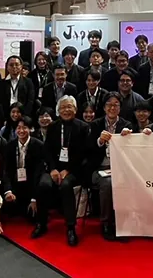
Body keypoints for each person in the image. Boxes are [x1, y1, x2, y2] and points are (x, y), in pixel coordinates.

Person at [43, 96, 89, 245]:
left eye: (69, 107)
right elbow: (47, 150)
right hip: (55, 168)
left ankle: (70, 227)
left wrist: (68, 170)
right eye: (63, 107)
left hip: (75, 170)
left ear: (75, 109)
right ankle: (41, 223)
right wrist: (53, 169)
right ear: (58, 110)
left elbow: (83, 153)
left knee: (66, 185)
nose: (66, 110)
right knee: (43, 184)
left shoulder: (83, 127)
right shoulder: (53, 126)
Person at [88, 93, 134, 240]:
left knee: (128, 181)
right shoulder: (95, 124)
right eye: (109, 104)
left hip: (121, 169)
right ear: (104, 107)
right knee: (108, 183)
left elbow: (132, 151)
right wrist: (100, 141)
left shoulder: (127, 125)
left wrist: (128, 139)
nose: (112, 108)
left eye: (116, 105)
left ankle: (123, 223)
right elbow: (88, 150)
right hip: (99, 169)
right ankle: (106, 222)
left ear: (120, 108)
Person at [2, 116, 51, 224]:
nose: (21, 131)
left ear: (31, 129)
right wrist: (8, 191)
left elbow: (38, 173)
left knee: (33, 216)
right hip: (16, 183)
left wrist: (34, 199)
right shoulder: (10, 146)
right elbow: (6, 170)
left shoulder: (39, 146)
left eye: (24, 128)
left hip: (31, 184)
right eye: (18, 128)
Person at [0, 55, 37, 122]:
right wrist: (3, 118)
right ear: (7, 67)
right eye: (11, 65)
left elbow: (30, 101)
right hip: (5, 118)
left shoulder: (28, 82)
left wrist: (24, 117)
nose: (14, 67)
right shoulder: (1, 84)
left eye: (17, 64)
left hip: (23, 118)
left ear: (21, 66)